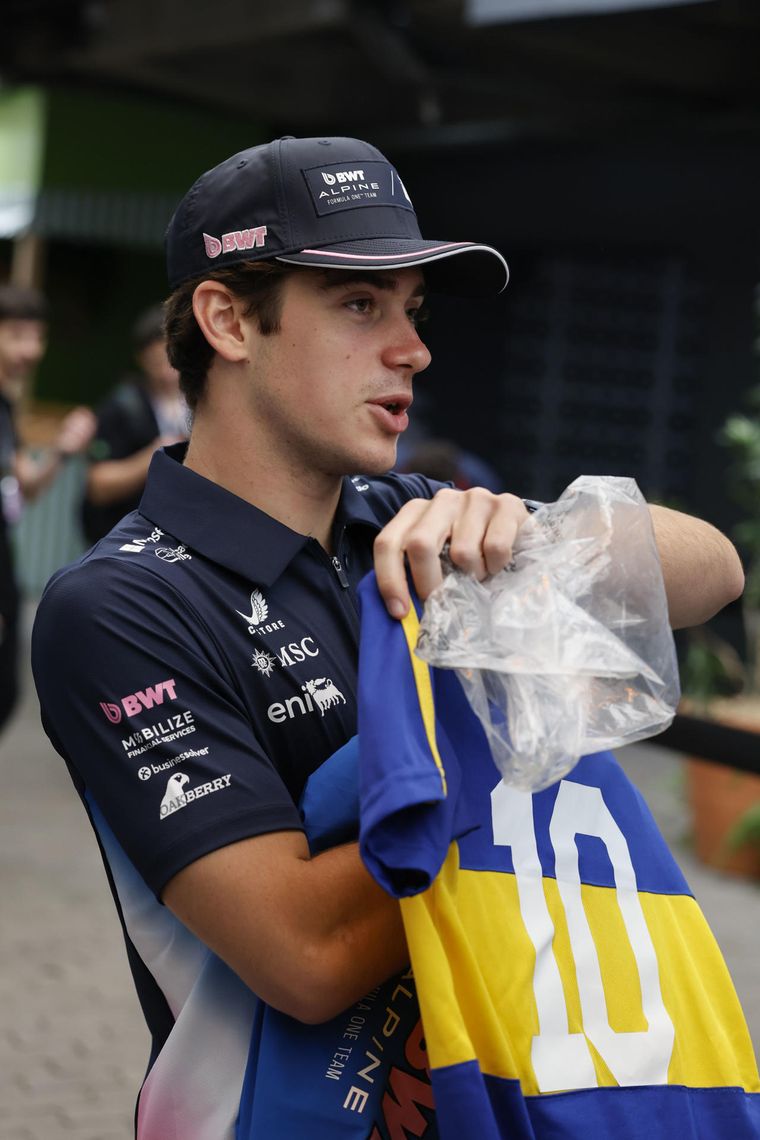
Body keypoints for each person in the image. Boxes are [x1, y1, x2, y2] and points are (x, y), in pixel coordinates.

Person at [31, 137, 745, 1138]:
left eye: (411, 310)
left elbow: (713, 569)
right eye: (360, 306)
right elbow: (306, 958)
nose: (411, 348)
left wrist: (536, 548)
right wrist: (503, 696)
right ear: (229, 319)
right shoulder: (116, 605)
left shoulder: (414, 512)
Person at [0, 284, 94, 736]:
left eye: (37, 337)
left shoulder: (5, 407)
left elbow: (24, 487)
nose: (31, 350)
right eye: (17, 335)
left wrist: (61, 449)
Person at [81, 303, 187, 545]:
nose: (166, 373)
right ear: (141, 359)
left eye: (173, 359)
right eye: (156, 362)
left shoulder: (204, 402)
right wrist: (155, 454)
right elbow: (98, 486)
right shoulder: (122, 406)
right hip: (122, 538)